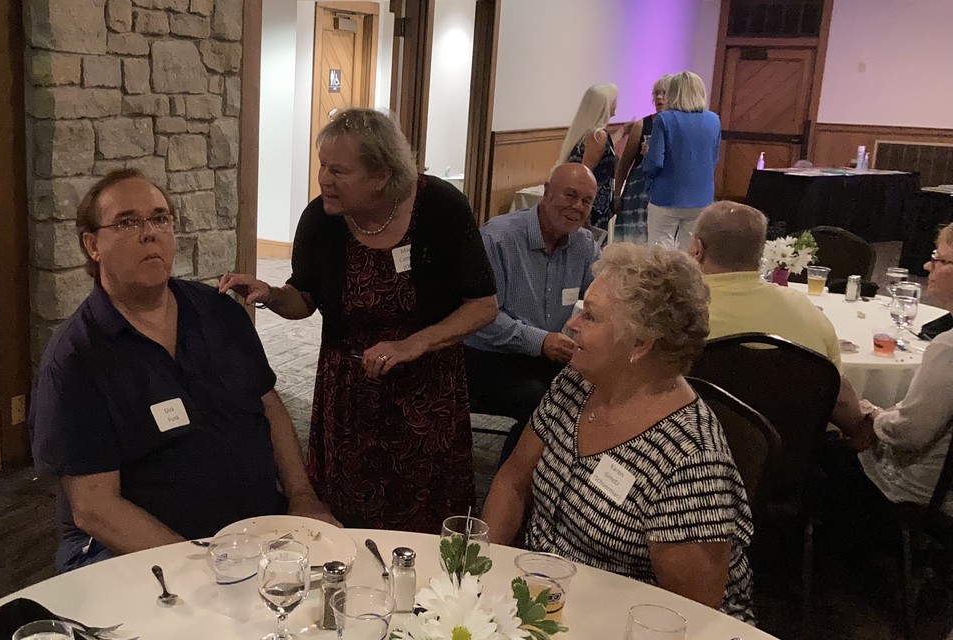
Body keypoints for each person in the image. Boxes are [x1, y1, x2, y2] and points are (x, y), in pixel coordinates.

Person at [30, 168, 334, 572]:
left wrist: (302, 496)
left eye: (160, 219)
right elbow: (95, 509)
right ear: (92, 245)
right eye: (127, 223)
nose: (149, 233)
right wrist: (203, 567)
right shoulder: (76, 358)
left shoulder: (220, 311)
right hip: (144, 555)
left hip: (253, 534)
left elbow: (269, 405)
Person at [220, 108, 497, 533]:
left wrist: (413, 344)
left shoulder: (441, 208)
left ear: (381, 175)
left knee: (425, 518)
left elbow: (483, 305)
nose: (323, 179)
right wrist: (271, 294)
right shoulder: (321, 219)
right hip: (347, 397)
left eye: (339, 171)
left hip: (426, 393)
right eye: (322, 166)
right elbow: (304, 299)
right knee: (345, 519)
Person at [482, 243, 756, 623]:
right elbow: (513, 481)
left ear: (639, 344)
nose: (572, 324)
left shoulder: (690, 459)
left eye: (590, 317)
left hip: (628, 629)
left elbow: (690, 616)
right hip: (544, 603)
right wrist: (483, 572)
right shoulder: (578, 382)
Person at [689, 200, 870, 444]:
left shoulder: (679, 314)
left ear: (697, 249)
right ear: (760, 253)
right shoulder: (806, 311)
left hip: (695, 451)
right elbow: (841, 403)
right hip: (795, 458)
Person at [464, 163, 600, 465]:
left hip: (544, 356)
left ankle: (565, 478)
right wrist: (541, 341)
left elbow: (604, 296)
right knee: (544, 402)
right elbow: (481, 317)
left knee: (593, 389)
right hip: (485, 356)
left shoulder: (584, 244)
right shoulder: (498, 238)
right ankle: (511, 485)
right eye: (570, 195)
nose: (578, 207)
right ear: (547, 192)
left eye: (587, 201)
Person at [852, 223, 953, 511]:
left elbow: (909, 434)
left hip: (922, 492)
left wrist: (874, 415)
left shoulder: (947, 347)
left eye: (939, 260)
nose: (927, 266)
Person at [641, 71, 721, 251]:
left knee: (660, 251)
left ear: (673, 92)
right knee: (690, 252)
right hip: (701, 196)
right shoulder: (714, 120)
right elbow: (714, 159)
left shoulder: (664, 119)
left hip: (666, 195)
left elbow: (655, 162)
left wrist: (646, 164)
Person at [613, 74, 672, 245]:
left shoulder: (678, 126)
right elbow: (624, 164)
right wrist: (617, 194)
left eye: (664, 93)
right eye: (656, 93)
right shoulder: (642, 125)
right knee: (633, 244)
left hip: (664, 193)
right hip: (638, 193)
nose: (659, 98)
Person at [557, 83, 618, 231]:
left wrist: (622, 132)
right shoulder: (598, 136)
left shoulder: (588, 133)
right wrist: (584, 206)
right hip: (592, 203)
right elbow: (585, 173)